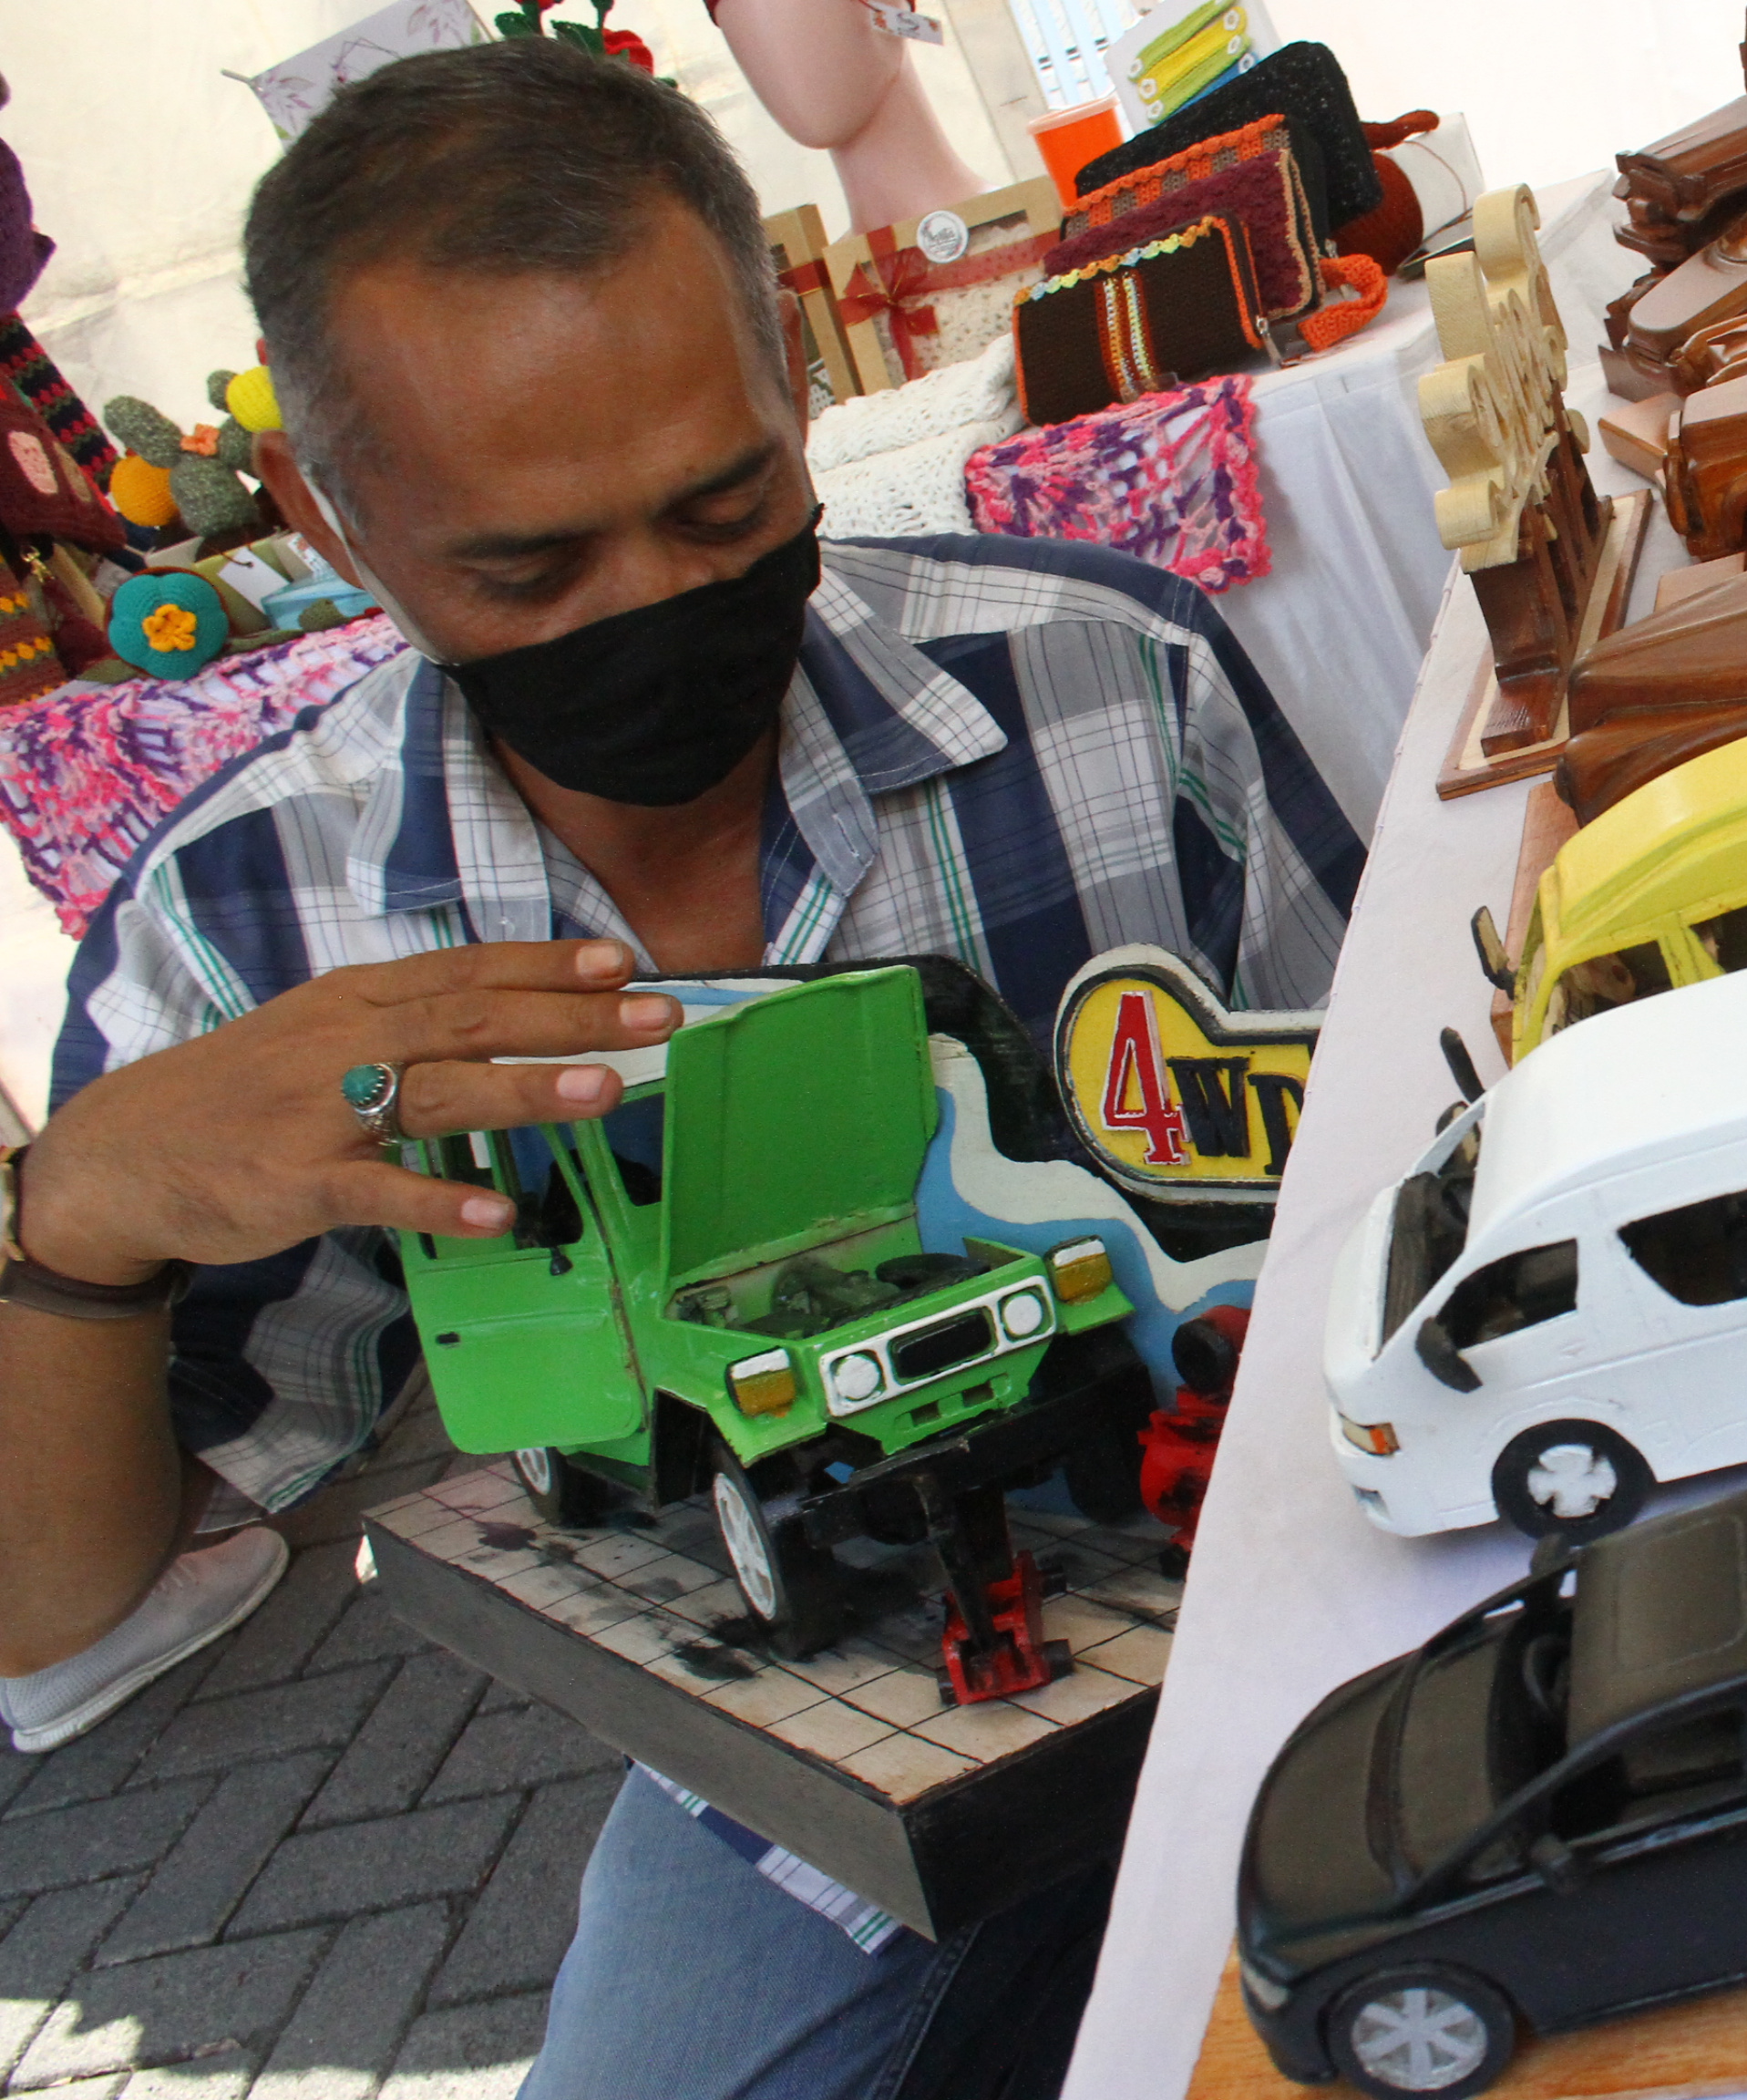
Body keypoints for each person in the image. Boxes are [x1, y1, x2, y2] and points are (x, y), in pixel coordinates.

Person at [0, 37, 1362, 2096]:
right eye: (526, 573)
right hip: (806, 1752)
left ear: (795, 389)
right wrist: (81, 1223)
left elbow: (1396, 1154)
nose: (650, 608)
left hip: (1299, 1564)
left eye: (725, 506)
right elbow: (47, 1609)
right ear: (327, 515)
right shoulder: (245, 934)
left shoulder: (1111, 675)